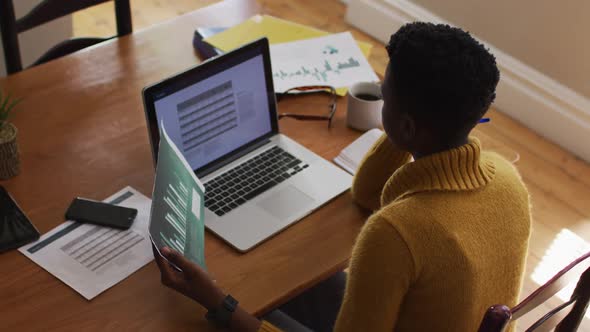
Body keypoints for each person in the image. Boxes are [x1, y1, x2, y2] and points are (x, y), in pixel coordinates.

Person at [153, 22, 531, 331]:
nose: (381, 97)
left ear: (410, 125)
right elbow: (367, 194)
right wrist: (405, 132)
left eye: (386, 93)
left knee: (229, 311)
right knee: (287, 281)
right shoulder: (508, 179)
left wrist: (216, 302)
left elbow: (376, 207)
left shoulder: (397, 233)